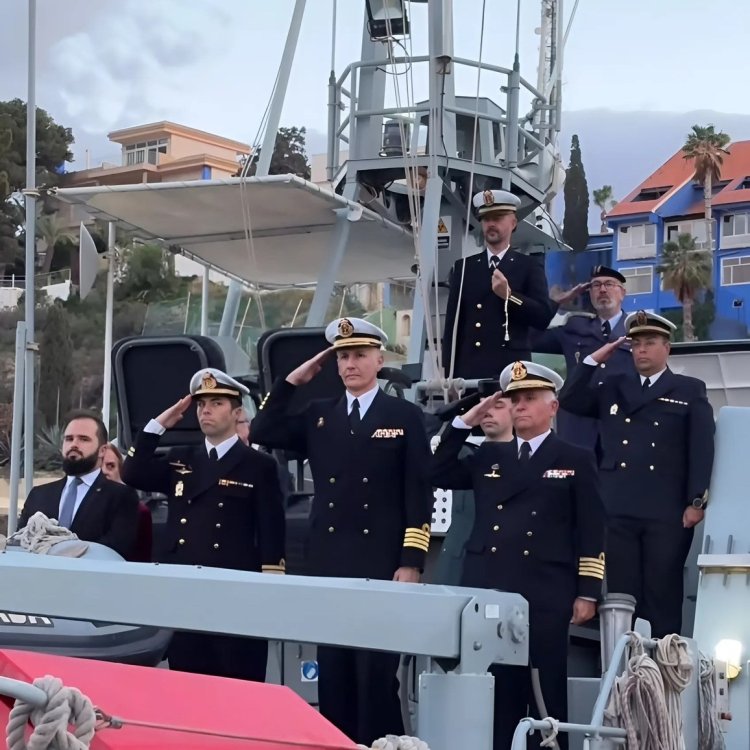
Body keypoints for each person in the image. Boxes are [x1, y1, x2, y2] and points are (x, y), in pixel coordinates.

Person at [250, 316, 434, 746]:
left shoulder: (403, 415)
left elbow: (418, 492)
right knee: (333, 672)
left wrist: (411, 562)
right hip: (329, 560)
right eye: (343, 356)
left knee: (375, 674)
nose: (350, 364)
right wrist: (292, 382)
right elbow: (262, 429)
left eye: (359, 355)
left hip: (381, 560)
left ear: (379, 359)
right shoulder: (319, 416)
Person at [431, 361, 605, 750]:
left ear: (553, 408)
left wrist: (588, 591)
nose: (520, 406)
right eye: (514, 400)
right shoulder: (490, 457)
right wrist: (463, 422)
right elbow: (436, 471)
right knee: (498, 690)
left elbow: (592, 528)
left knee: (544, 690)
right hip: (492, 587)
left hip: (545, 591)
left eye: (529, 399)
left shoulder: (574, 458)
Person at [121, 367, 286, 681]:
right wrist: (158, 426)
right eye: (200, 404)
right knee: (189, 685)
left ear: (237, 413)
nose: (205, 410)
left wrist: (269, 592)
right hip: (186, 592)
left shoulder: (259, 465)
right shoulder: (182, 458)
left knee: (238, 688)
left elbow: (272, 533)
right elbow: (132, 473)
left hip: (235, 594)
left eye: (216, 403)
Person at [558, 311, 715, 637]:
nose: (642, 350)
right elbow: (570, 400)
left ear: (666, 348)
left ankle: (665, 669)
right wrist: (593, 360)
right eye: (637, 344)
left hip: (666, 509)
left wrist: (696, 500)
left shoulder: (688, 390)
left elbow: (701, 448)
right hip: (618, 506)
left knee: (662, 590)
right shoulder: (614, 386)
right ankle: (623, 669)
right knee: (622, 593)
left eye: (650, 343)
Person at [441, 189, 555, 380]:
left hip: (511, 370)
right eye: (486, 219)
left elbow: (542, 318)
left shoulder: (528, 266)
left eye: (498, 218)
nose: (491, 224)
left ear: (513, 223)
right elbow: (453, 328)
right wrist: (449, 375)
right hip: (470, 371)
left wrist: (510, 297)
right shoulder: (464, 268)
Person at [532, 266, 636, 449]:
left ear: (622, 293)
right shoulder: (574, 328)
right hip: (577, 430)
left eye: (609, 284)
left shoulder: (637, 332)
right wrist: (558, 301)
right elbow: (529, 338)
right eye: (596, 285)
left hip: (622, 427)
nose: (602, 290)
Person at [20, 410, 140, 560]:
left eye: (83, 439)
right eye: (69, 439)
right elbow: (21, 543)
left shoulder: (121, 496)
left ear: (102, 450)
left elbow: (118, 548)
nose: (74, 445)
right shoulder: (39, 495)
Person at [430, 387, 514, 585]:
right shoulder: (468, 458)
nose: (488, 411)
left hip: (506, 565)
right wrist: (464, 422)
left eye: (498, 405)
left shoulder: (529, 459)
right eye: (482, 406)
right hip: (457, 564)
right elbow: (435, 471)